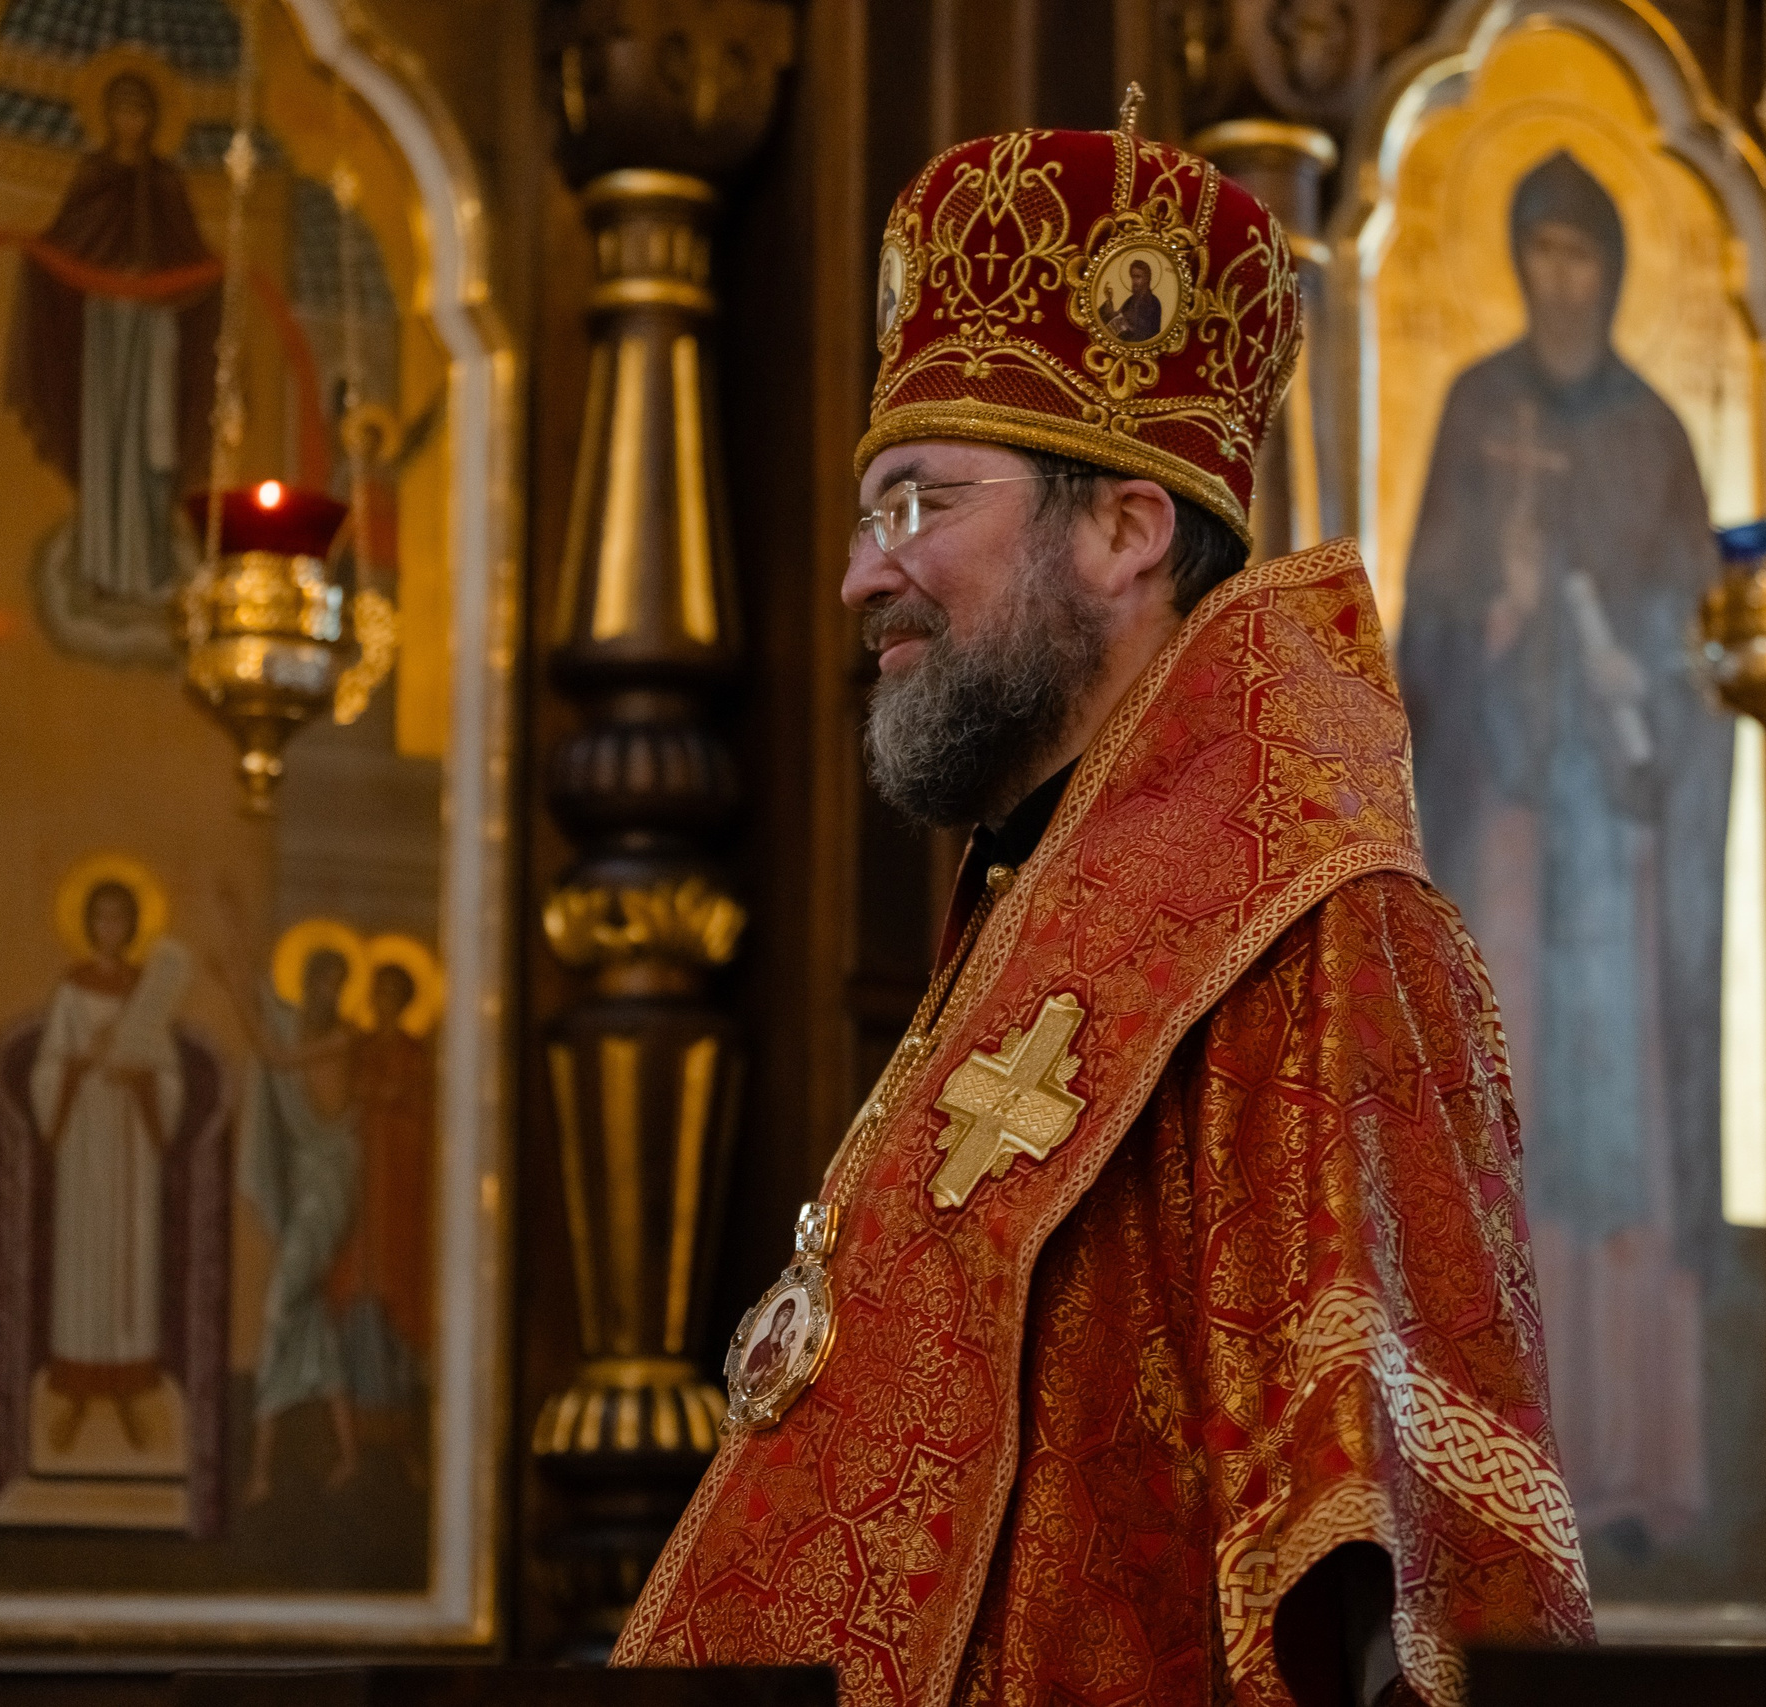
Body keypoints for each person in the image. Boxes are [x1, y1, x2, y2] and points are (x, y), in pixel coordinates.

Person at [613, 99, 1589, 1705]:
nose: (868, 569)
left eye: (928, 502)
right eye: (874, 513)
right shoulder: (1024, 904)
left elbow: (1409, 1574)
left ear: (1129, 527)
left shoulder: (1317, 927)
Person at [1395, 149, 1728, 1547]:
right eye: (1540, 253)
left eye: (1583, 255)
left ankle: (1635, 1469)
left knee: (1621, 1140)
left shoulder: (1657, 436)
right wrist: (1501, 623)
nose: (1561, 280)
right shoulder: (1477, 412)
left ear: (1616, 270)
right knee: (1506, 1119)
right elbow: (1418, 651)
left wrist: (1627, 673)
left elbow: (1699, 658)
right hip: (1510, 849)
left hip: (1624, 865)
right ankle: (1494, 1478)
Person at [4, 68, 219, 604]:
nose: (130, 120)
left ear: (152, 119)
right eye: (120, 109)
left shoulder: (167, 180)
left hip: (155, 330)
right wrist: (47, 259)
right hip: (103, 326)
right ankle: (103, 563)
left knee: (152, 440)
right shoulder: (93, 174)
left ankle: (149, 561)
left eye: (139, 109)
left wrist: (201, 277)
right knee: (108, 438)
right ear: (106, 117)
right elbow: (69, 241)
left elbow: (189, 250)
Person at [30, 878, 187, 1455]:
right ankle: (75, 1391)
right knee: (84, 1254)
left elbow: (170, 1078)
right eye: (102, 917)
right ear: (90, 924)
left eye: (122, 917)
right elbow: (45, 1071)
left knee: (129, 1259)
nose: (111, 928)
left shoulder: (151, 990)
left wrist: (143, 1077)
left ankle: (126, 1389)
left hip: (132, 1143)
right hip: (84, 1138)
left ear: (134, 925)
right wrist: (78, 1063)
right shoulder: (71, 991)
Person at [223, 940, 362, 1504]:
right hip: (306, 1169)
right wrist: (236, 937)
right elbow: (267, 1003)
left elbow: (275, 1057)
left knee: (281, 1306)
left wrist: (233, 992)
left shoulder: (344, 1034)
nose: (324, 991)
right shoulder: (296, 1023)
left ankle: (261, 1469)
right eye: (317, 980)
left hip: (333, 1172)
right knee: (311, 1328)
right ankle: (325, 1459)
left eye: (334, 982)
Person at [329, 960, 434, 1473]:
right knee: (358, 1300)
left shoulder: (414, 1055)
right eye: (380, 991)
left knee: (396, 1303)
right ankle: (350, 1442)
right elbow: (339, 1105)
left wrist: (389, 1099)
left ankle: (402, 1441)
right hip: (361, 1192)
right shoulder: (360, 1050)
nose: (386, 1000)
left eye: (396, 992)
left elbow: (420, 1114)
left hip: (398, 1193)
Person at [1099, 256, 1164, 343]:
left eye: (1138, 277)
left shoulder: (1153, 302)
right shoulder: (1131, 300)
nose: (1134, 281)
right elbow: (1116, 317)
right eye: (1133, 277)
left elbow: (1149, 333)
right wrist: (1109, 300)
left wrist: (1129, 327)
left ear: (1147, 279)